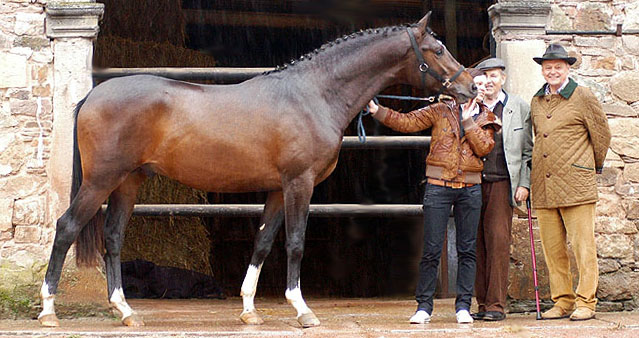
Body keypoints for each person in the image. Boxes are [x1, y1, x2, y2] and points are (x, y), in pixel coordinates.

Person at [367, 68, 500, 324]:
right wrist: (377, 111)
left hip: (470, 189)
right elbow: (407, 122)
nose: (481, 87)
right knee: (430, 248)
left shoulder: (488, 117)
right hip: (438, 185)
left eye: (484, 84)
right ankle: (424, 306)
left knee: (467, 249)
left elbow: (484, 147)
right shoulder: (440, 110)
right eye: (477, 83)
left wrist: (468, 121)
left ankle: (463, 305)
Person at [530, 44, 611, 321]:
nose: (552, 71)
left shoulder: (583, 95)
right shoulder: (536, 100)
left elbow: (602, 135)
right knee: (553, 250)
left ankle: (586, 301)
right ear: (542, 70)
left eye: (558, 67)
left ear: (567, 68)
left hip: (577, 184)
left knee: (583, 248)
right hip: (544, 185)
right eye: (548, 67)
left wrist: (590, 167)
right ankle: (562, 301)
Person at [471, 58, 533, 322]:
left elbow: (528, 150)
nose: (489, 81)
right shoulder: (470, 106)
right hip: (471, 183)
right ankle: (481, 303)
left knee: (497, 241)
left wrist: (524, 183)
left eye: (494, 76)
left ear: (503, 78)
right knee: (474, 244)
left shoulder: (517, 106)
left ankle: (496, 305)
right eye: (484, 76)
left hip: (501, 182)